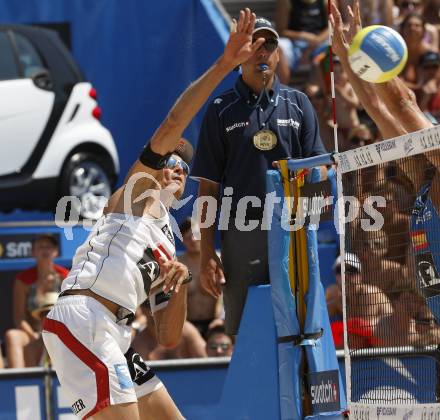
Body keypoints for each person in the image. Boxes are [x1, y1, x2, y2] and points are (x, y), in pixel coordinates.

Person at [42, 9, 266, 420]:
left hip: (117, 332)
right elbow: (175, 120)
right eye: (169, 162)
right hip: (85, 316)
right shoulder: (134, 195)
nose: (174, 170)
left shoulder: (168, 241)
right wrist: (224, 65)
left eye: (182, 168)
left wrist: (179, 284)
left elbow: (166, 336)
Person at [191, 17, 326, 335]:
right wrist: (208, 252)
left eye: (270, 45)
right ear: (241, 52)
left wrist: (306, 222)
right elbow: (208, 188)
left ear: (279, 55)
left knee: (301, 328)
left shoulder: (299, 104)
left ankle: (301, 387)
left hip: (292, 232)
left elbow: (317, 170)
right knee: (247, 330)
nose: (262, 51)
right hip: (242, 234)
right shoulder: (220, 109)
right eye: (254, 44)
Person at [331, 0, 440, 327]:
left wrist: (368, 45)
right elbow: (380, 111)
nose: (424, 129)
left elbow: (405, 104)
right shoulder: (422, 177)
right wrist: (349, 57)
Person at [6, 234, 67, 368]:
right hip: (32, 331)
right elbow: (19, 317)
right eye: (40, 247)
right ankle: (19, 382)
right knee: (12, 336)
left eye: (49, 247)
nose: (45, 250)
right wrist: (33, 335)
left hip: (60, 330)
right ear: (33, 252)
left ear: (56, 252)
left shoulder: (66, 277)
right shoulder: (23, 280)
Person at [177, 218, 222, 338]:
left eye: (195, 235)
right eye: (187, 237)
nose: (192, 240)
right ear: (182, 240)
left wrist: (220, 319)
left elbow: (225, 292)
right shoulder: (178, 264)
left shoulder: (217, 260)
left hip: (216, 323)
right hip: (187, 324)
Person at [275, 0, 329, 84]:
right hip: (293, 42)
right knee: (278, 47)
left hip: (320, 42)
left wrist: (317, 40)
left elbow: (332, 26)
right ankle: (282, 90)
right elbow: (281, 30)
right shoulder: (285, 2)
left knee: (333, 48)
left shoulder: (326, 1)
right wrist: (303, 36)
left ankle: (318, 89)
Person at [132, 307, 206, 360]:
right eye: (149, 307)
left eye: (158, 306)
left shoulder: (187, 331)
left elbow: (206, 363)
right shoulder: (138, 344)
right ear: (142, 310)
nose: (153, 313)